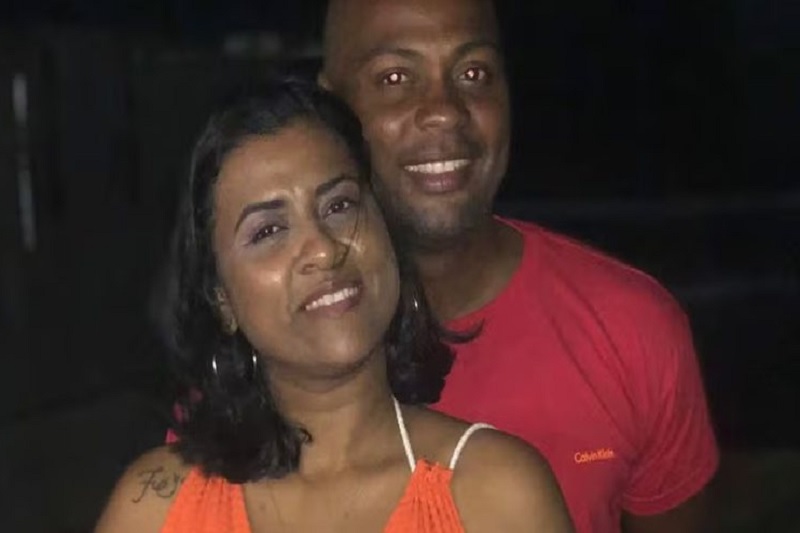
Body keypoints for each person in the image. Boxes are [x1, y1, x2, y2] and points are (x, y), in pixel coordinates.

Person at [95, 80, 574, 532]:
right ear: (221, 299)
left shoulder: (497, 497)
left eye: (339, 206)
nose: (323, 250)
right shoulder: (154, 509)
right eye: (268, 231)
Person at [317, 0, 719, 531]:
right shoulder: (270, 352)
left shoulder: (630, 330)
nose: (445, 110)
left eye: (474, 73)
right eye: (394, 78)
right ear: (329, 110)